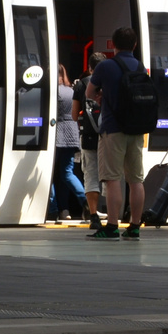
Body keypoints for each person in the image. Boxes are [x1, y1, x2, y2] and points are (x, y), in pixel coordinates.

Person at [87, 30, 146, 240]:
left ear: (113, 45)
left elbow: (89, 92)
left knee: (112, 180)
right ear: (135, 44)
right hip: (136, 129)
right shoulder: (139, 66)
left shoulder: (106, 66)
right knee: (136, 180)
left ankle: (112, 226)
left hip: (113, 129)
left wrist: (102, 97)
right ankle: (135, 226)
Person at [47, 64, 85, 222]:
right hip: (72, 134)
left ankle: (53, 209)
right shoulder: (71, 91)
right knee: (67, 173)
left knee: (48, 174)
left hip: (56, 134)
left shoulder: (53, 92)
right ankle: (85, 203)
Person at [74, 53, 105, 230]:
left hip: (89, 137)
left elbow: (73, 114)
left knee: (91, 176)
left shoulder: (82, 84)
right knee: (111, 177)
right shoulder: (111, 82)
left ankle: (93, 216)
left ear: (90, 67)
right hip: (108, 137)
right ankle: (113, 215)